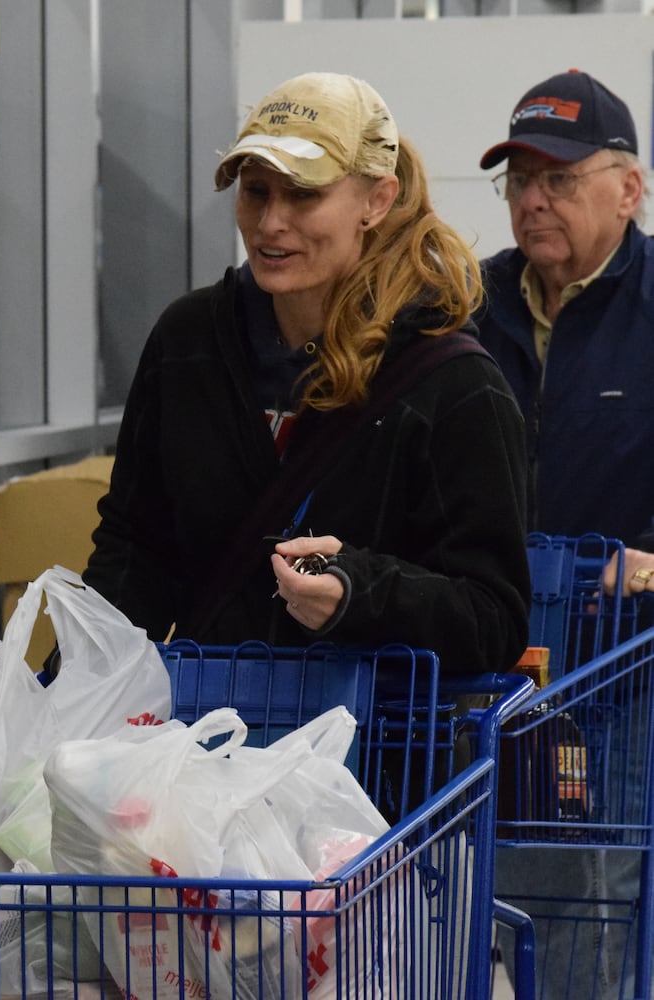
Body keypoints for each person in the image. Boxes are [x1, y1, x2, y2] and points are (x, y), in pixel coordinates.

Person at [83, 71, 531, 680]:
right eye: (255, 191)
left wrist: (360, 593)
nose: (270, 223)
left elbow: (493, 620)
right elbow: (135, 547)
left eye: (302, 195)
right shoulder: (187, 342)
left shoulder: (451, 385)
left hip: (374, 756)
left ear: (376, 200)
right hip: (205, 741)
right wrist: (73, 685)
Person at [475, 68, 654, 996]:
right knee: (511, 878)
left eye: (559, 178)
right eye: (518, 181)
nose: (533, 200)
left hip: (627, 666)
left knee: (602, 888)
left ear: (630, 189)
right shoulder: (469, 309)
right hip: (505, 663)